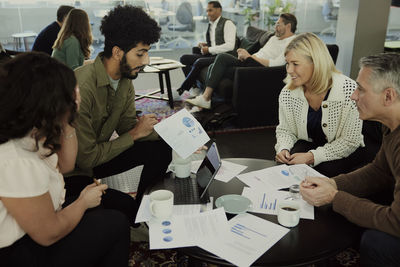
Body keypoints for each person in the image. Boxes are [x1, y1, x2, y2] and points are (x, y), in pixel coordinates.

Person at [0, 52, 130, 267]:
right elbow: (47, 234)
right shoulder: (15, 160)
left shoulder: (29, 129)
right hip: (18, 253)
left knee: (104, 208)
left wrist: (69, 120)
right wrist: (82, 202)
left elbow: (66, 165)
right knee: (115, 224)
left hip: (36, 229)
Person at [64, 5, 172, 213]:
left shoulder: (124, 81)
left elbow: (127, 126)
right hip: (73, 171)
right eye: (140, 54)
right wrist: (134, 133)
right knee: (123, 207)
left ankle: (142, 211)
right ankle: (134, 214)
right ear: (117, 52)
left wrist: (174, 134)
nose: (146, 61)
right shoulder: (81, 89)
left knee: (162, 148)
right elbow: (85, 158)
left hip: (97, 156)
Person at [300, 52, 400, 267]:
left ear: (388, 96)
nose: (353, 96)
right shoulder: (390, 125)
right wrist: (333, 183)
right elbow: (379, 171)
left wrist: (335, 197)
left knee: (377, 242)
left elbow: (396, 222)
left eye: (361, 89)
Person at [274, 33, 366, 177]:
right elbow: (285, 130)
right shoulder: (288, 93)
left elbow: (350, 141)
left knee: (326, 171)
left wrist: (312, 156)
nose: (289, 70)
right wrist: (283, 148)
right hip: (310, 143)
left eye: (295, 64)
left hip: (344, 148)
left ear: (316, 63)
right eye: (287, 63)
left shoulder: (348, 89)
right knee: (287, 165)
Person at [186, 13, 297, 109]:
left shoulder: (291, 43)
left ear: (288, 26)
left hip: (260, 69)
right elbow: (260, 53)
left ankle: (205, 98)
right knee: (212, 66)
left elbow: (276, 64)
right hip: (250, 62)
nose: (275, 27)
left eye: (278, 24)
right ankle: (206, 98)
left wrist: (250, 57)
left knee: (222, 57)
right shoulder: (274, 38)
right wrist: (245, 55)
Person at [177, 1, 237, 95]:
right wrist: (205, 45)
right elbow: (216, 41)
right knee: (183, 58)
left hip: (223, 57)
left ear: (219, 10)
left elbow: (230, 45)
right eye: (207, 11)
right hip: (213, 54)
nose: (208, 13)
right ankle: (195, 86)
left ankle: (183, 88)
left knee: (199, 62)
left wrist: (209, 49)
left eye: (210, 10)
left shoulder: (228, 24)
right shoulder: (212, 24)